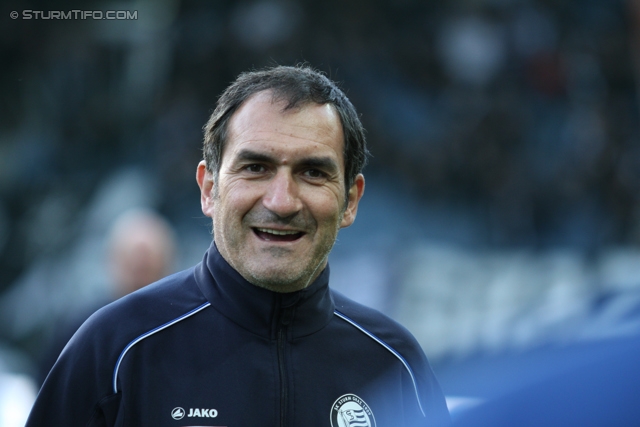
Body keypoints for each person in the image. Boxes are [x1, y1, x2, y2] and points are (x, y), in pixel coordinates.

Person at [26, 65, 450, 426]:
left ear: (351, 200)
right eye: (255, 167)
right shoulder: (113, 351)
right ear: (209, 189)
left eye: (313, 173)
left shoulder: (397, 365)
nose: (282, 202)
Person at [36, 208, 177, 385]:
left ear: (167, 264)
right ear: (113, 261)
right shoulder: (83, 328)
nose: (140, 276)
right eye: (132, 263)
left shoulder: (183, 329)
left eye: (148, 267)